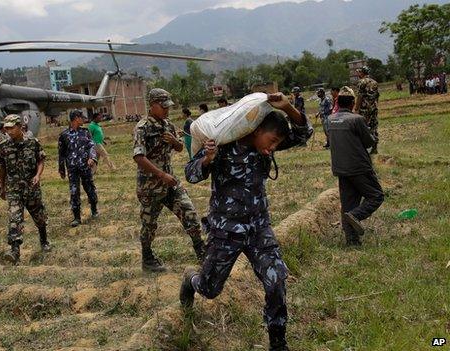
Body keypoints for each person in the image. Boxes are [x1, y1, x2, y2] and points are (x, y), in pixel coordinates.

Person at [179, 93, 313, 351]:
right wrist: (207, 159)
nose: (272, 147)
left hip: (259, 228)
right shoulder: (223, 145)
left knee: (276, 281)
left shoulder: (263, 147)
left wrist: (288, 107)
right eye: (272, 141)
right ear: (256, 129)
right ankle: (190, 279)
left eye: (276, 144)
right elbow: (191, 174)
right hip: (226, 231)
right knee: (209, 289)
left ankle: (278, 343)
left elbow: (303, 132)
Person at [133, 88, 206, 272]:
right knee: (149, 224)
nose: (167, 110)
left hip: (170, 183)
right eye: (163, 106)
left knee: (189, 212)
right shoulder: (142, 128)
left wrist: (174, 141)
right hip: (150, 187)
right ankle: (148, 259)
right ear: (152, 106)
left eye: (168, 106)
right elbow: (139, 158)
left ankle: (201, 251)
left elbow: (180, 148)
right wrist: (161, 175)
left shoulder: (168, 125)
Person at [328, 87, 384, 246]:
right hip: (359, 167)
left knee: (348, 203)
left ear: (337, 102)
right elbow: (369, 142)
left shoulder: (330, 120)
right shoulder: (356, 119)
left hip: (340, 168)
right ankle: (355, 216)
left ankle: (352, 241)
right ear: (353, 103)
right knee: (376, 196)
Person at [0, 115, 51, 264]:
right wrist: (1, 185)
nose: (8, 131)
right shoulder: (3, 145)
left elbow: (41, 159)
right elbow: (2, 166)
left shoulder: (33, 143)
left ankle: (44, 240)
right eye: (6, 128)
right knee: (14, 218)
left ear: (20, 126)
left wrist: (38, 175)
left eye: (11, 127)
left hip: (31, 187)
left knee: (39, 217)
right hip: (14, 189)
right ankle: (14, 250)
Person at [58, 110, 99, 227]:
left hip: (85, 166)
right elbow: (61, 154)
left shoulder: (85, 132)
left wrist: (92, 158)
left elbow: (91, 146)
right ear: (76, 118)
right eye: (81, 117)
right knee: (74, 192)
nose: (83, 119)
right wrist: (61, 169)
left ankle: (94, 209)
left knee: (90, 188)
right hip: (72, 168)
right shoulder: (64, 135)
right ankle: (76, 217)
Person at [354, 66, 380, 154]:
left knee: (363, 127)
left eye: (359, 72)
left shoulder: (361, 82)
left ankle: (363, 148)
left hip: (364, 109)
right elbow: (377, 96)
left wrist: (356, 108)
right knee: (373, 126)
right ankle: (374, 147)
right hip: (373, 107)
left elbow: (360, 96)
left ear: (362, 73)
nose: (357, 74)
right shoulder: (374, 82)